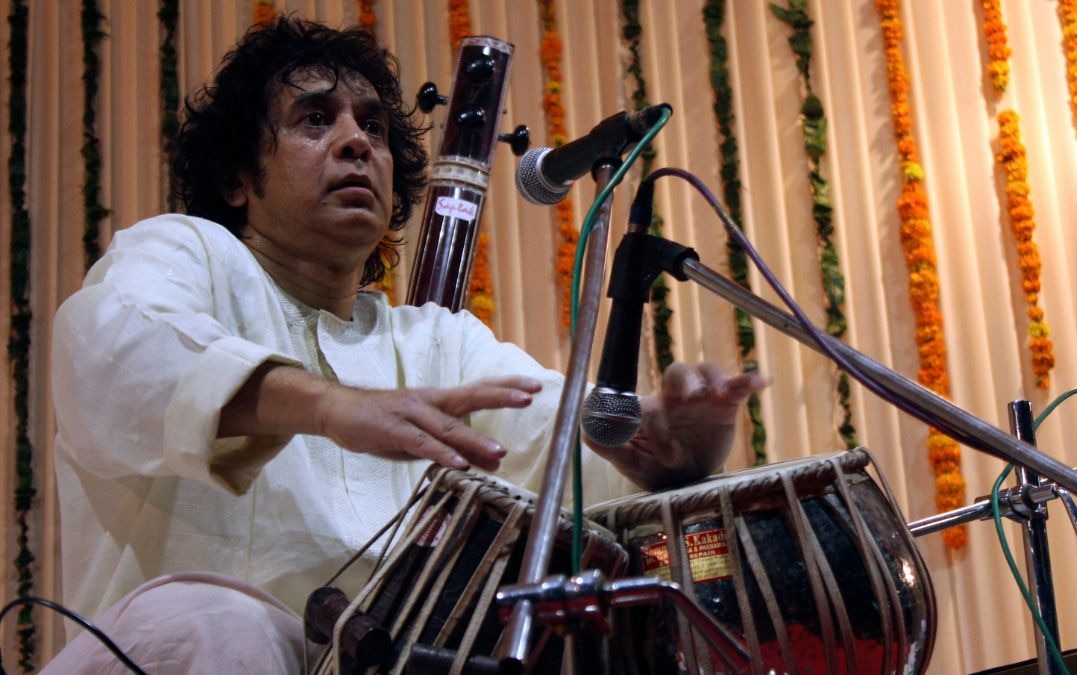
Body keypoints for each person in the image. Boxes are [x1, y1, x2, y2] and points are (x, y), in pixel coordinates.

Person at [46, 16, 764, 673]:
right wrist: (330, 407)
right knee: (216, 617)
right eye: (315, 120)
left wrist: (660, 445)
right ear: (237, 178)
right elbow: (117, 351)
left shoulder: (433, 345)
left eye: (376, 128)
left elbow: (562, 448)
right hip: (176, 655)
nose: (358, 141)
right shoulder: (186, 254)